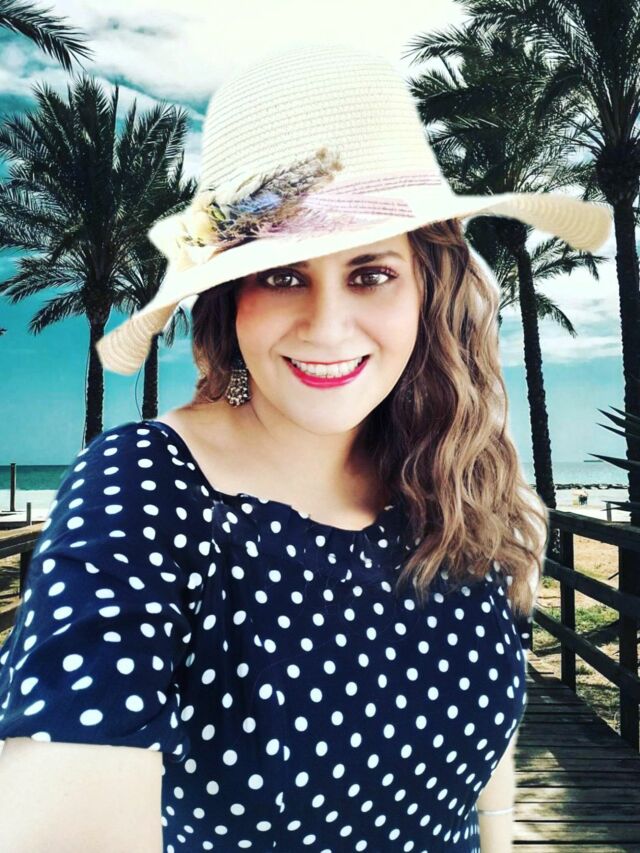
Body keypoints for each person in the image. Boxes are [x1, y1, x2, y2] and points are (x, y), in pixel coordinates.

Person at [0, 41, 610, 853]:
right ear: (228, 300)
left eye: (371, 273)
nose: (327, 326)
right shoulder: (149, 489)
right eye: (282, 274)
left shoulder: (458, 470)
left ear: (426, 289)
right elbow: (67, 792)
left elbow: (487, 759)